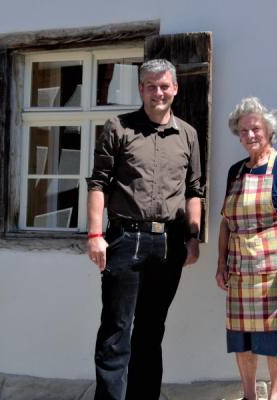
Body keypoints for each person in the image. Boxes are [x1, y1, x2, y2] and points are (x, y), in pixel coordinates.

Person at [86, 59, 204, 400]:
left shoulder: (188, 135)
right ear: (141, 89)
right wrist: (95, 235)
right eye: (151, 86)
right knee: (116, 331)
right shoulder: (118, 128)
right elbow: (98, 183)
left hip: (169, 243)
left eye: (164, 85)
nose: (158, 92)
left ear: (175, 89)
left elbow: (195, 189)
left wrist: (192, 238)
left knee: (151, 333)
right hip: (125, 240)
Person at [216, 97, 277, 400]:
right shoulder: (235, 172)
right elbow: (226, 222)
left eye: (255, 129)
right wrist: (221, 263)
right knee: (242, 336)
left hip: (272, 266)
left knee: (274, 333)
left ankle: (275, 395)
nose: (249, 136)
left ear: (268, 130)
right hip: (240, 268)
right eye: (243, 131)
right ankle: (249, 395)